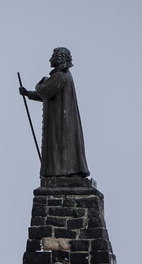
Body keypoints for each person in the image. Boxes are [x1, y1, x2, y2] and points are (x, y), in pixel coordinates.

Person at [19, 47, 90, 177]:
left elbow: (44, 92)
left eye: (52, 56)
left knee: (60, 145)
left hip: (59, 121)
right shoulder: (64, 75)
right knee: (62, 146)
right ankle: (65, 171)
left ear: (59, 58)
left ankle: (62, 171)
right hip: (62, 119)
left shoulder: (59, 75)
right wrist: (28, 93)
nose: (50, 59)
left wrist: (40, 84)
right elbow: (47, 94)